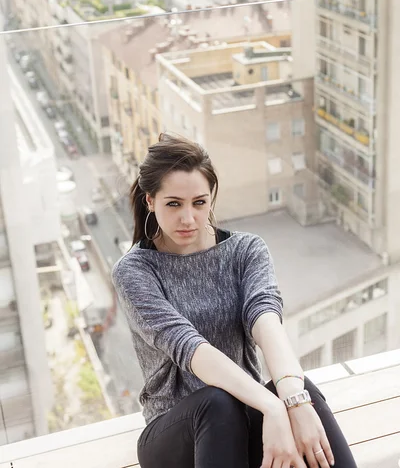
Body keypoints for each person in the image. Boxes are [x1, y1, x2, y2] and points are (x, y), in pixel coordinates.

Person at [112, 133, 358, 468]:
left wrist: (294, 402)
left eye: (199, 202)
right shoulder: (134, 271)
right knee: (217, 401)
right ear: (150, 201)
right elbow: (191, 349)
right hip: (175, 436)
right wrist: (272, 407)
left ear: (211, 198)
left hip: (244, 417)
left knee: (302, 392)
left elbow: (267, 322)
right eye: (174, 204)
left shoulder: (246, 251)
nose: (188, 218)